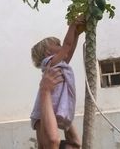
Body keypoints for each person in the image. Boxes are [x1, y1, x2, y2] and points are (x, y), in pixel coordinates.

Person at [30, 17, 85, 149]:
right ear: (48, 53)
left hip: (49, 107)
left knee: (45, 142)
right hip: (45, 108)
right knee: (46, 142)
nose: (62, 47)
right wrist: (72, 26)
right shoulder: (50, 62)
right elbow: (67, 46)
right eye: (57, 45)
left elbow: (68, 50)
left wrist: (76, 34)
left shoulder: (58, 63)